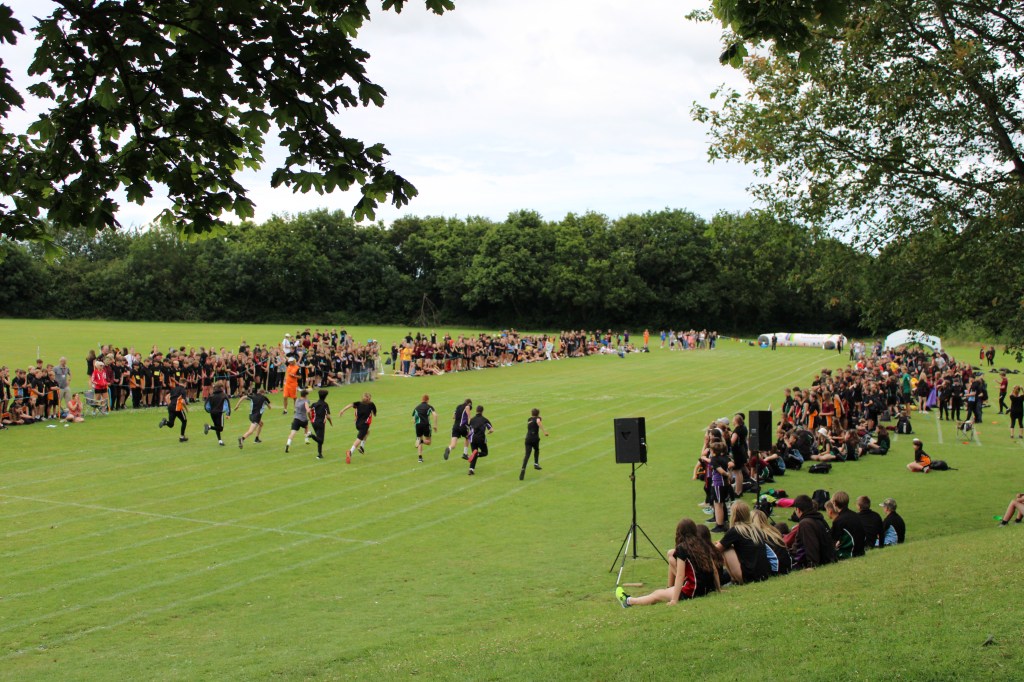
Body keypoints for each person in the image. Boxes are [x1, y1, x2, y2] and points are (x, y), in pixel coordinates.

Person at [615, 517, 723, 606]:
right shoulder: (702, 544)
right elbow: (714, 570)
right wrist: (718, 590)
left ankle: (628, 601)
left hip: (692, 590)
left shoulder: (682, 548)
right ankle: (668, 590)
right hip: (707, 588)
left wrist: (674, 600)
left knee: (657, 594)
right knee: (663, 592)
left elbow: (680, 575)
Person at [715, 501, 771, 585]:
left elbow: (716, 550)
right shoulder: (756, 529)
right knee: (726, 545)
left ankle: (734, 579)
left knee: (727, 549)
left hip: (748, 576)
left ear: (734, 515)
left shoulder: (736, 530)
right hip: (763, 573)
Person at [787, 494, 837, 568]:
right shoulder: (820, 519)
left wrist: (812, 564)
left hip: (799, 560)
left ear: (798, 510)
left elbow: (811, 545)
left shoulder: (805, 523)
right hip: (827, 557)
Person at [339, 392, 377, 464]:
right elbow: (374, 414)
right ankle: (350, 452)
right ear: (369, 399)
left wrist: (342, 410)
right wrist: (372, 411)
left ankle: (362, 447)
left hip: (357, 424)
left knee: (367, 432)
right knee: (359, 438)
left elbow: (350, 405)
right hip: (364, 425)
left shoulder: (358, 403)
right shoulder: (371, 404)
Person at [827, 491, 866, 558]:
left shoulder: (839, 520)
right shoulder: (855, 515)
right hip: (861, 551)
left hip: (850, 553)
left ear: (835, 503)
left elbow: (831, 540)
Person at [467, 404, 494, 476]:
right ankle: (476, 454)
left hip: (473, 439)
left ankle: (471, 470)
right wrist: (489, 432)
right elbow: (491, 429)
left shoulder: (472, 419)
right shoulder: (485, 420)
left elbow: (469, 429)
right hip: (481, 439)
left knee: (474, 453)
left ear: (476, 411)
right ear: (482, 411)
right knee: (485, 452)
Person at [412, 393, 438, 463]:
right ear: (427, 400)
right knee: (428, 442)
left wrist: (416, 424)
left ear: (422, 400)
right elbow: (435, 415)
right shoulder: (429, 407)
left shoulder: (417, 407)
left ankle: (420, 458)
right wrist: (435, 425)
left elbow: (413, 420)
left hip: (418, 425)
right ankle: (421, 441)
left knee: (419, 438)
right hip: (426, 425)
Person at [308, 389, 333, 459]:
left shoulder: (314, 404)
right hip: (321, 423)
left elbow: (308, 411)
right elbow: (327, 416)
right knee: (320, 440)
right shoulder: (325, 404)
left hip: (314, 423)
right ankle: (311, 435)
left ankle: (319, 454)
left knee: (319, 438)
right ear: (325, 396)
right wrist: (331, 422)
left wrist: (310, 419)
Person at [203, 380, 230, 446]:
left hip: (212, 413)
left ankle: (220, 441)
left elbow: (206, 405)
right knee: (220, 428)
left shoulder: (211, 395)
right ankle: (209, 427)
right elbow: (227, 405)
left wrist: (209, 411)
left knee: (216, 426)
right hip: (219, 413)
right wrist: (228, 414)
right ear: (221, 388)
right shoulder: (223, 395)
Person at [285, 388, 311, 453]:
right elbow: (308, 410)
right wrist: (310, 416)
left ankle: (288, 444)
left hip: (296, 418)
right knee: (306, 427)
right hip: (303, 419)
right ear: (306, 395)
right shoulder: (306, 401)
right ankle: (306, 439)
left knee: (292, 433)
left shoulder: (297, 400)